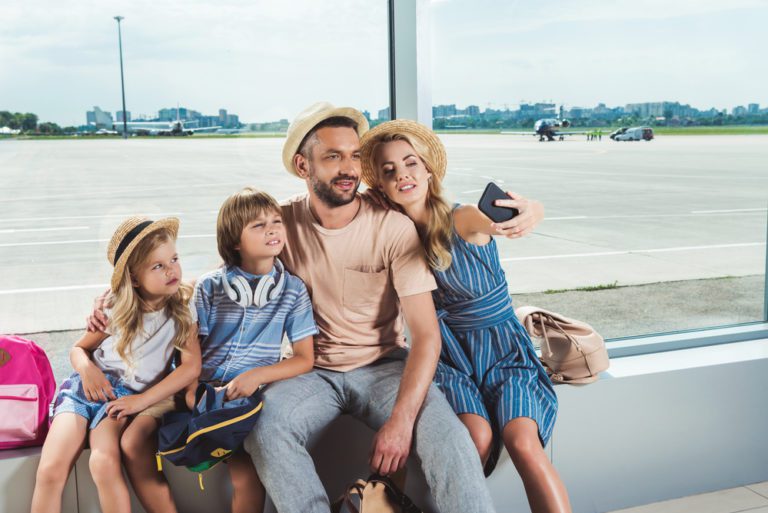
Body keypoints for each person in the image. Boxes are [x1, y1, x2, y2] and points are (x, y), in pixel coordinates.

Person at [244, 102, 498, 513]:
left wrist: (400, 423)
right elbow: (227, 278)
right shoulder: (280, 223)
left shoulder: (392, 227)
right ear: (302, 166)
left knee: (451, 439)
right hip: (311, 371)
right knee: (265, 429)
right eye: (332, 156)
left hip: (384, 366)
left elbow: (427, 336)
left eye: (355, 155)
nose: (349, 168)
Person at [360, 119, 572, 513]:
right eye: (389, 171)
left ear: (427, 169)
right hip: (450, 359)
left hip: (503, 350)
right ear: (381, 187)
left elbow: (503, 215)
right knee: (473, 439)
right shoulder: (393, 234)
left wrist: (532, 209)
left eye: (410, 163)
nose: (402, 174)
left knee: (524, 443)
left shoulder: (461, 219)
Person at [32, 217, 202, 513]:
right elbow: (79, 349)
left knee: (103, 462)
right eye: (158, 266)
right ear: (134, 278)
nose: (172, 269)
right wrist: (87, 370)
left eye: (174, 259)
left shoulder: (183, 309)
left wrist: (140, 401)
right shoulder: (114, 307)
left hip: (120, 399)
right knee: (49, 469)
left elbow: (190, 367)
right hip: (82, 390)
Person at [192, 187, 317, 513]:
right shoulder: (210, 287)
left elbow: (305, 358)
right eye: (258, 226)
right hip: (203, 394)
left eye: (276, 221)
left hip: (250, 396)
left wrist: (256, 376)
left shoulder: (292, 290)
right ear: (235, 241)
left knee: (248, 477)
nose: (273, 229)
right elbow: (188, 352)